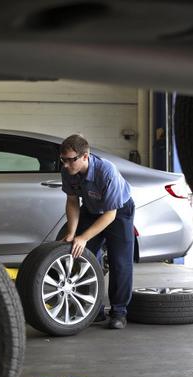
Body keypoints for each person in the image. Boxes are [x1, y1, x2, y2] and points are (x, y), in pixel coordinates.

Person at [59, 134, 135, 330]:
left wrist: (84, 237)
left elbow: (110, 215)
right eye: (63, 159)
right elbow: (72, 201)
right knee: (82, 256)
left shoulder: (106, 171)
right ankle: (95, 310)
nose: (66, 164)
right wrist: (72, 233)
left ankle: (119, 312)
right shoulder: (68, 171)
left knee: (120, 261)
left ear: (85, 156)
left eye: (70, 160)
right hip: (92, 210)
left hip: (118, 212)